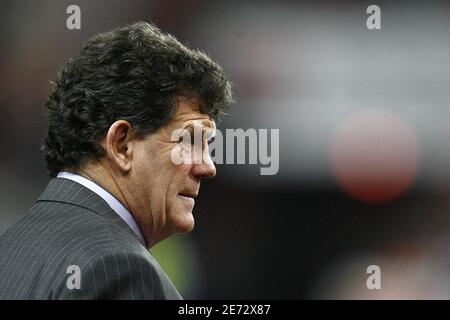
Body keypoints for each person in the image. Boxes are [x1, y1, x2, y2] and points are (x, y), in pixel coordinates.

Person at [0, 21, 233, 299]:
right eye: (189, 141)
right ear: (121, 145)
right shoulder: (120, 269)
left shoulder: (11, 248)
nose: (207, 167)